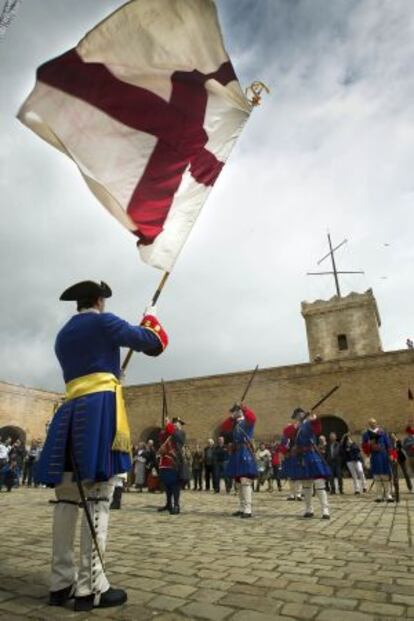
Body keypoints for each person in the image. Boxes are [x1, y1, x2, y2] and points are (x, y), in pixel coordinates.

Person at [35, 279, 168, 611]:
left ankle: (60, 582)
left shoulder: (64, 333)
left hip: (69, 411)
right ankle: (91, 586)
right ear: (98, 301)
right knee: (96, 496)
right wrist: (151, 318)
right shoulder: (104, 322)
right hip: (98, 412)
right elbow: (150, 343)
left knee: (66, 498)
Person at [280, 408, 331, 519]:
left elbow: (317, 430)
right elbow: (286, 433)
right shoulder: (295, 427)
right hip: (301, 457)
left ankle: (325, 510)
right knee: (306, 485)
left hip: (311, 455)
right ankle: (309, 509)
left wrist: (315, 420)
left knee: (319, 483)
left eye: (300, 414)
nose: (299, 416)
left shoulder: (310, 423)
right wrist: (296, 426)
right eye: (297, 415)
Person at [221, 403, 258, 518]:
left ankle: (248, 509)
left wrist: (244, 408)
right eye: (233, 412)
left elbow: (253, 418)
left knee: (245, 481)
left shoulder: (246, 422)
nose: (233, 413)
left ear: (240, 412)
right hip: (236, 453)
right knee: (238, 482)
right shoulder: (235, 424)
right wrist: (232, 417)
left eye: (235, 411)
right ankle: (242, 507)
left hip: (245, 452)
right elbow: (224, 427)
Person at [157, 417, 186, 514]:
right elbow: (162, 438)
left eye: (178, 423)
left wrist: (170, 426)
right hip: (165, 462)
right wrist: (164, 429)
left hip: (174, 463)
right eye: (174, 423)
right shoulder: (169, 432)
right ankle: (168, 504)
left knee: (175, 485)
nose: (176, 424)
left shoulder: (180, 433)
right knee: (167, 484)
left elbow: (179, 439)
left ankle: (176, 505)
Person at [362, 418, 394, 502]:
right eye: (371, 423)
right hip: (374, 457)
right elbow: (364, 446)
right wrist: (369, 444)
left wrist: (391, 454)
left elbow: (388, 444)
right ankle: (379, 495)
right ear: (369, 424)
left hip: (383, 456)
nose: (372, 425)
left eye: (374, 423)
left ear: (376, 423)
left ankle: (388, 494)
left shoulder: (382, 433)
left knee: (385, 476)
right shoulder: (366, 434)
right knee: (377, 476)